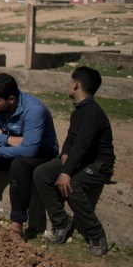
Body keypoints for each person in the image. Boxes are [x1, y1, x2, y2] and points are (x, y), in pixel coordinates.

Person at [33, 67, 114, 257]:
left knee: (72, 184)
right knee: (42, 172)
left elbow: (82, 145)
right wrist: (64, 156)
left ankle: (96, 234)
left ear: (76, 84)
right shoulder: (79, 110)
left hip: (98, 165)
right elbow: (71, 140)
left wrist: (66, 171)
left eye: (71, 81)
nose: (69, 85)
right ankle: (61, 222)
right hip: (80, 161)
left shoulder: (92, 112)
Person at [0, 73, 59, 236]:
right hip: (11, 148)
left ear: (11, 100)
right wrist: (8, 139)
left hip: (41, 153)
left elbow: (29, 150)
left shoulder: (34, 110)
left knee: (19, 165)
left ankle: (17, 224)